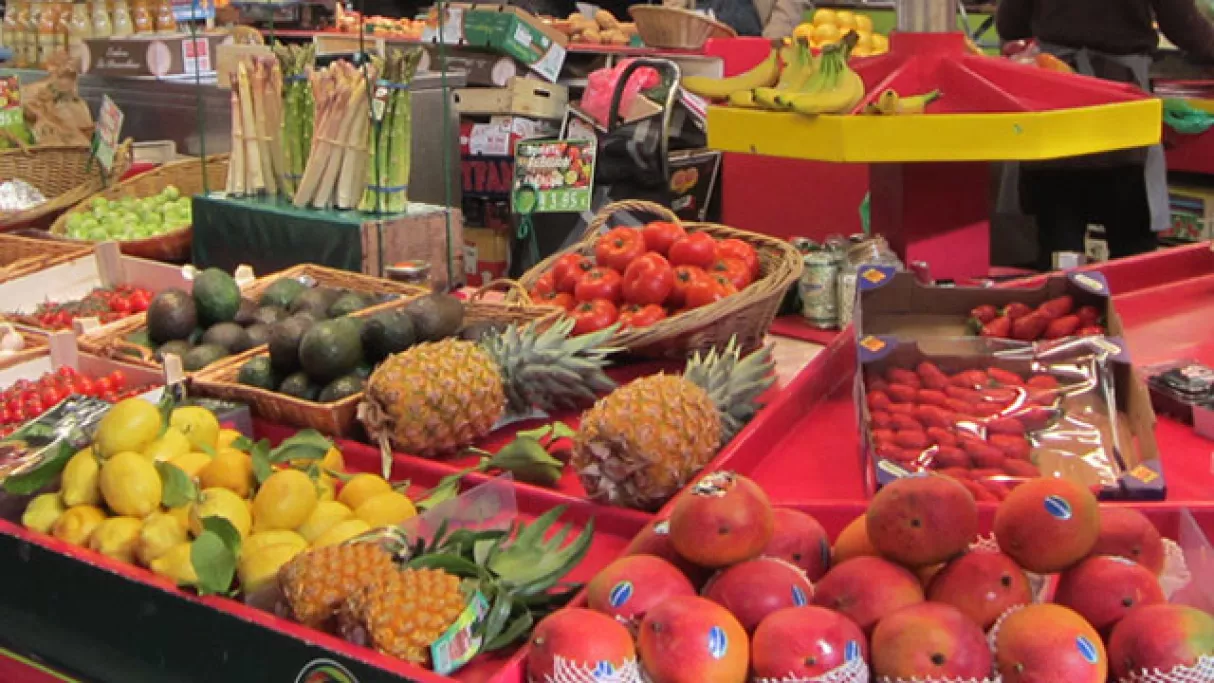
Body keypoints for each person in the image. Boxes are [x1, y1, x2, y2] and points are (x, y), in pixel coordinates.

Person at [996, 0, 1214, 269]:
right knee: (1132, 256)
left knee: (1058, 251)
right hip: (1121, 110)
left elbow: (1010, 23)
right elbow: (1184, 26)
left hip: (1054, 103)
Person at [660, 0, 809, 39]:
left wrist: (770, 44)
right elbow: (674, 8)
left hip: (757, 41)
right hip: (698, 47)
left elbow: (790, 4)